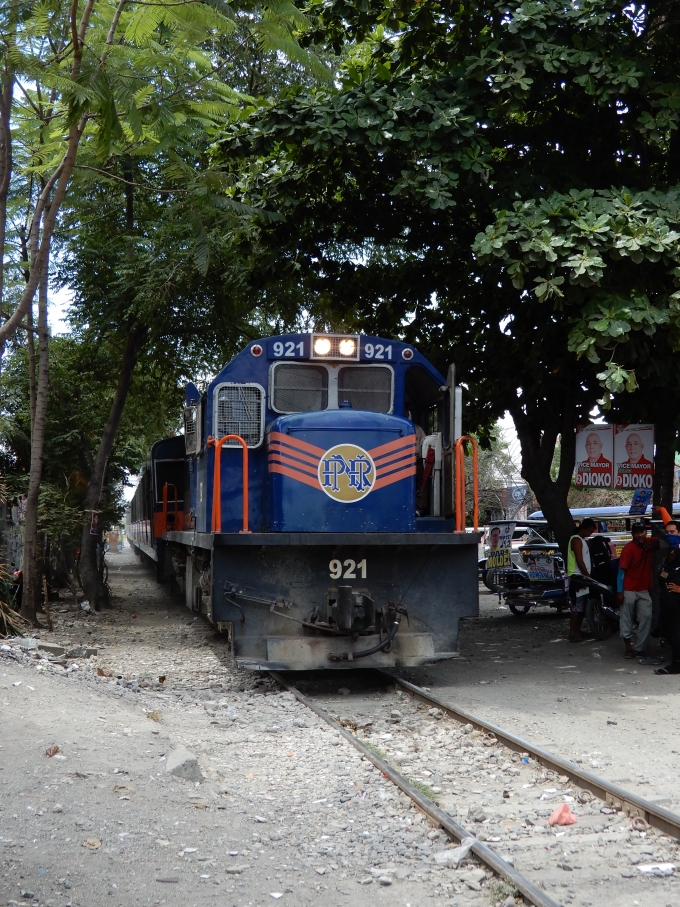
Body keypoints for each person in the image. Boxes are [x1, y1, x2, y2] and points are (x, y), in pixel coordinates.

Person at [617, 521, 662, 663]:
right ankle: (628, 647)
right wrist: (620, 591)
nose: (640, 535)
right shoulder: (628, 549)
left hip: (643, 588)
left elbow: (663, 540)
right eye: (637, 532)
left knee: (647, 617)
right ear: (632, 534)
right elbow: (621, 571)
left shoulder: (648, 544)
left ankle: (640, 648)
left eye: (642, 532)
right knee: (626, 618)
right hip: (629, 588)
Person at [567, 518, 596, 643]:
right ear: (583, 528)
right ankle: (572, 632)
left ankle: (577, 631)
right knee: (577, 606)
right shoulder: (576, 540)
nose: (590, 534)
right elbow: (579, 560)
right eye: (589, 531)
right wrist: (587, 575)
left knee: (581, 606)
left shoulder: (582, 540)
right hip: (577, 576)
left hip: (581, 576)